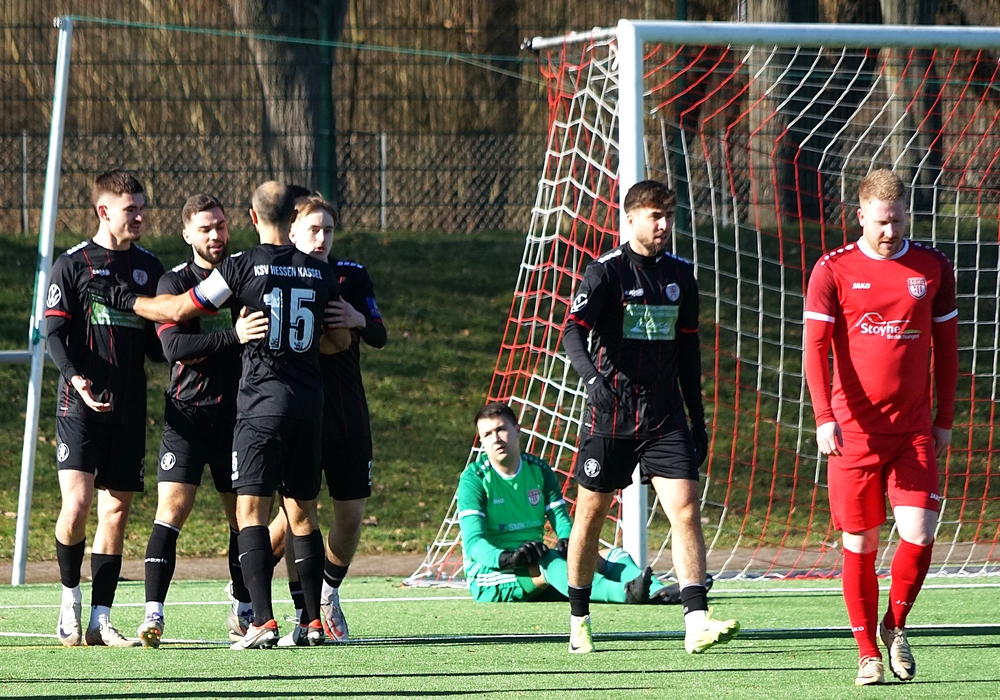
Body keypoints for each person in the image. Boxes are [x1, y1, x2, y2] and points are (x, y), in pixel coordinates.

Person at [91, 181, 352, 650]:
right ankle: (312, 622)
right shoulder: (320, 270)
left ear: (251, 218)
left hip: (259, 407)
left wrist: (124, 299)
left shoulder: (242, 266)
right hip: (309, 406)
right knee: (304, 513)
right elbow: (339, 340)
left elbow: (179, 307)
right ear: (294, 219)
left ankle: (261, 622)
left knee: (250, 512)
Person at [561, 179, 739, 654]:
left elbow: (688, 352)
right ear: (631, 219)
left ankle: (696, 621)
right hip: (611, 415)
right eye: (654, 216)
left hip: (664, 416)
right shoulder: (605, 272)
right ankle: (579, 620)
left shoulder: (681, 275)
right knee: (591, 516)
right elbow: (572, 332)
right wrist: (592, 380)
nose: (663, 225)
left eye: (669, 216)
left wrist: (698, 419)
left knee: (686, 509)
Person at [804, 169, 958, 686]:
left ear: (905, 215)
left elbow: (948, 349)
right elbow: (815, 350)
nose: (889, 231)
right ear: (860, 216)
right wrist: (824, 417)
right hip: (853, 433)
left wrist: (944, 419)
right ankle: (867, 653)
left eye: (896, 221)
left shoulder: (932, 266)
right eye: (880, 222)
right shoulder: (833, 269)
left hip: (913, 430)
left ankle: (895, 625)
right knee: (861, 543)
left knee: (920, 532)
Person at [134, 194, 269, 648]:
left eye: (221, 226)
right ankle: (153, 614)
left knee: (241, 517)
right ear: (187, 234)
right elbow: (174, 349)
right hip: (187, 416)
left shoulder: (244, 275)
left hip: (238, 417)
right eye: (206, 228)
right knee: (171, 511)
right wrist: (234, 335)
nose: (216, 235)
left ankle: (244, 608)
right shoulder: (173, 281)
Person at [47, 169, 164, 647]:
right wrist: (77, 379)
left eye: (142, 208)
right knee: (76, 507)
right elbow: (54, 335)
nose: (139, 216)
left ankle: (100, 619)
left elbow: (159, 342)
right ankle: (69, 601)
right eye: (130, 209)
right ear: (103, 211)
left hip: (128, 408)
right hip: (79, 406)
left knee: (115, 512)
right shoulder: (72, 264)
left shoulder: (150, 267)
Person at [268, 194, 387, 646]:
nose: (321, 238)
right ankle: (257, 596)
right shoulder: (273, 272)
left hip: (346, 409)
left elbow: (379, 334)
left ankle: (328, 592)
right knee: (296, 517)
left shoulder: (350, 275)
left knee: (351, 514)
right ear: (293, 232)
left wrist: (357, 318)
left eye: (328, 230)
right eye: (313, 229)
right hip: (298, 409)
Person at [459, 402, 681, 605]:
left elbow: (560, 518)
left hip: (535, 560)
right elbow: (473, 543)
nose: (495, 439)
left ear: (517, 430)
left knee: (610, 555)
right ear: (481, 441)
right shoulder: (474, 479)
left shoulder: (538, 470)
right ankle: (626, 593)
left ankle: (659, 592)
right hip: (492, 573)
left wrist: (567, 541)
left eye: (501, 429)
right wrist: (508, 558)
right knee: (551, 562)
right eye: (487, 434)